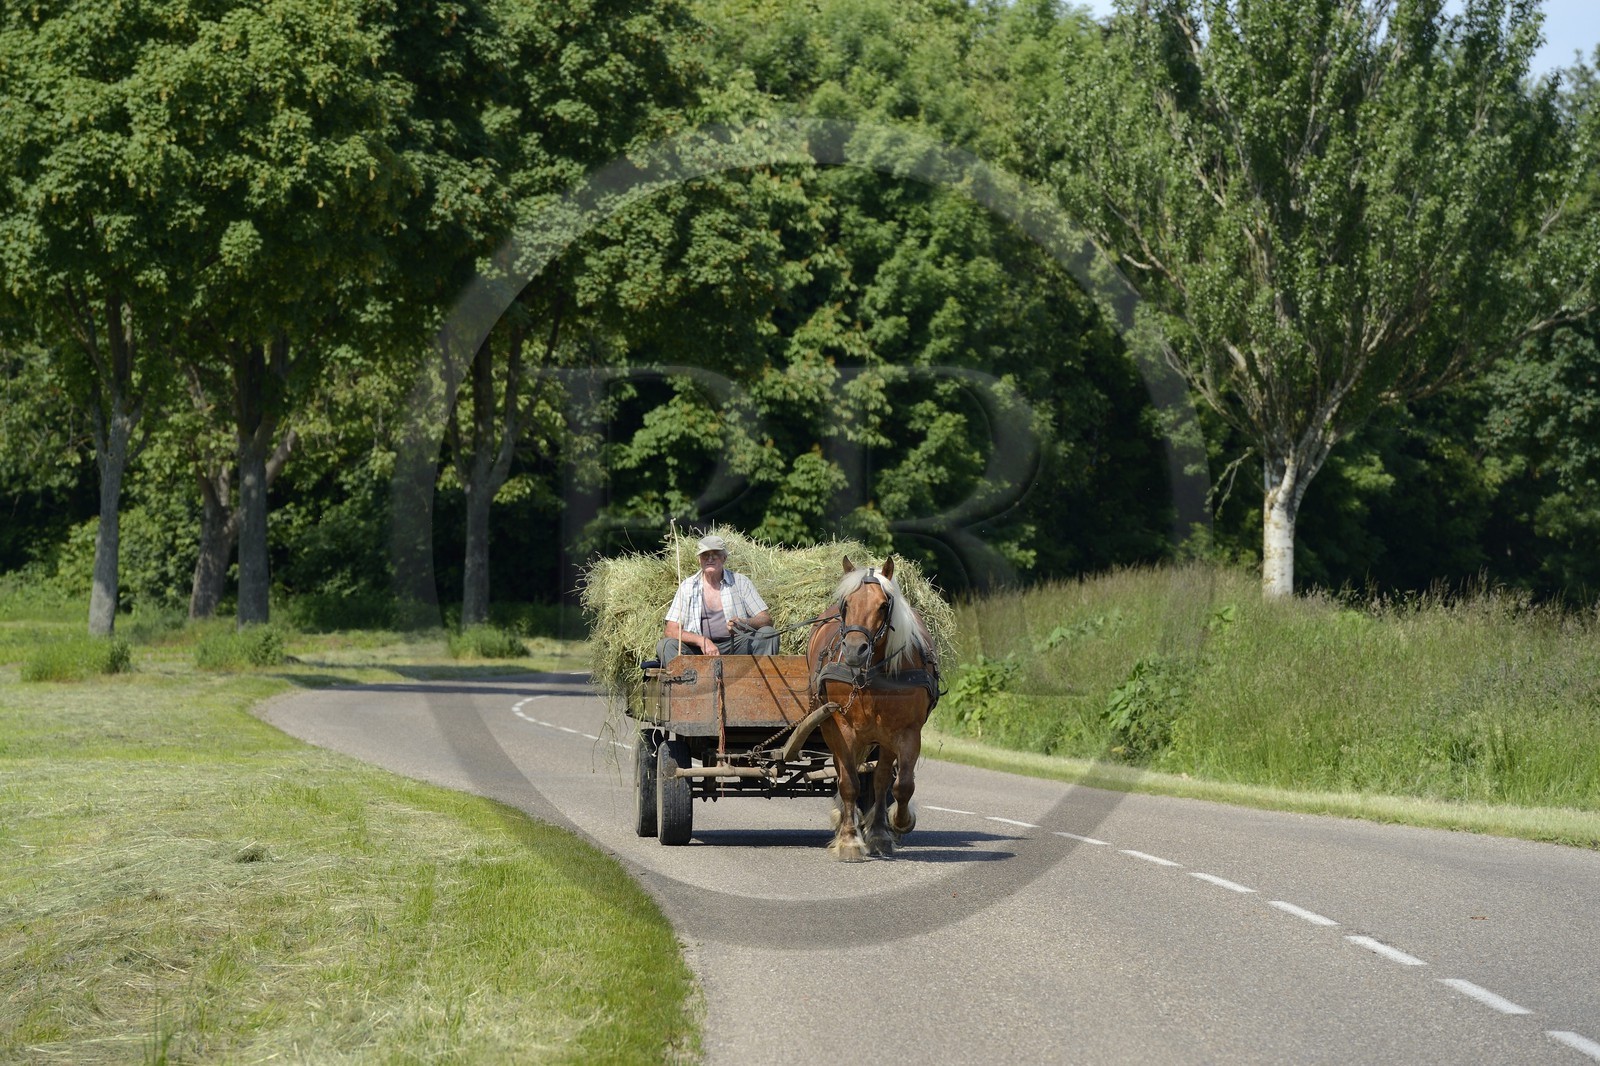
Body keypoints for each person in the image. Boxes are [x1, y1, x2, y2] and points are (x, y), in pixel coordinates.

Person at [657, 534, 780, 663]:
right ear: (699, 559)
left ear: (724, 558)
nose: (709, 559)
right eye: (705, 555)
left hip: (736, 646)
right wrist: (702, 641)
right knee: (665, 645)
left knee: (768, 633)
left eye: (715, 554)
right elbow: (671, 630)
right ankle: (688, 681)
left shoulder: (740, 582)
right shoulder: (687, 586)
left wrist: (745, 623)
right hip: (699, 651)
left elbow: (766, 619)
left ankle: (759, 681)